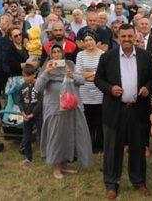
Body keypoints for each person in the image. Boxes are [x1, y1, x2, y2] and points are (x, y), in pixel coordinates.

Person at [95, 23, 152, 199]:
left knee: (137, 147)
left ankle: (138, 181)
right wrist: (110, 88)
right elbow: (98, 80)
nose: (127, 39)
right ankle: (112, 183)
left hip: (137, 110)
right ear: (118, 37)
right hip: (115, 110)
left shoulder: (145, 56)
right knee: (113, 148)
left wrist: (146, 87)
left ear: (135, 36)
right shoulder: (108, 57)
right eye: (124, 36)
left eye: (130, 36)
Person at [36, 44, 94, 179]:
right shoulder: (46, 67)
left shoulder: (70, 65)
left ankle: (64, 164)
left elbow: (82, 80)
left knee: (68, 135)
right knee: (56, 136)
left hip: (71, 107)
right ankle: (56, 167)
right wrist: (47, 72)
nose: (56, 54)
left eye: (59, 52)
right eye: (54, 52)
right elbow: (38, 87)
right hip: (55, 108)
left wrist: (72, 75)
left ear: (62, 54)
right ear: (50, 55)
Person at [74, 30, 104, 154]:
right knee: (88, 122)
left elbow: (102, 73)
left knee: (100, 122)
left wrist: (87, 74)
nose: (89, 42)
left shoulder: (103, 54)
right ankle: (89, 146)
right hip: (84, 93)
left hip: (99, 93)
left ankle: (100, 146)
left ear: (95, 41)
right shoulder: (80, 55)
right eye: (86, 40)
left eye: (91, 39)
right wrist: (94, 74)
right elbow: (77, 73)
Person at [18, 63, 43, 164]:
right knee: (27, 137)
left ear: (34, 74)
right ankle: (28, 158)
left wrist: (33, 113)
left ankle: (46, 154)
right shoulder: (21, 86)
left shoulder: (39, 86)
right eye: (24, 76)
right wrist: (23, 112)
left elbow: (41, 101)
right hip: (26, 116)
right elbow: (20, 101)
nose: (26, 78)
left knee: (42, 135)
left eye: (28, 75)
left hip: (37, 115)